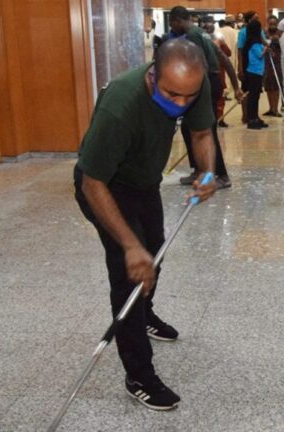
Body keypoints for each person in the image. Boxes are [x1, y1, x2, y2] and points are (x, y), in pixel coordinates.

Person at [74, 39, 218, 410]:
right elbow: (92, 183)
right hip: (105, 185)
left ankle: (146, 312)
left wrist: (207, 172)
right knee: (132, 271)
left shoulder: (190, 84)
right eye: (173, 95)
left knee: (154, 250)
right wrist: (128, 246)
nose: (181, 104)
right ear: (153, 75)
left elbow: (201, 133)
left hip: (144, 181)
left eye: (189, 97)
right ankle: (139, 374)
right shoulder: (121, 105)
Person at [168, 6, 243, 189]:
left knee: (206, 129)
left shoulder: (192, 36)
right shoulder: (201, 33)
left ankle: (222, 176)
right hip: (211, 81)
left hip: (204, 83)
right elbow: (223, 58)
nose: (172, 29)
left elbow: (197, 65)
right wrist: (236, 86)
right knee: (188, 126)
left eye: (172, 24)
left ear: (177, 20)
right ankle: (198, 170)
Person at [204, 16, 232, 127]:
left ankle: (218, 119)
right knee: (213, 98)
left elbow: (228, 53)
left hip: (215, 73)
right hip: (210, 73)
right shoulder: (213, 39)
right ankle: (216, 119)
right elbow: (227, 53)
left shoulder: (217, 38)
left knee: (217, 98)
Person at [242, 20, 268, 129]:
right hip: (254, 72)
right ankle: (251, 120)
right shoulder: (254, 42)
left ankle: (255, 117)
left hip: (256, 71)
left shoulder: (252, 41)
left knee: (256, 96)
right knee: (253, 97)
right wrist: (266, 48)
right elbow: (259, 55)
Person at [263, 15, 283, 118]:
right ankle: (270, 108)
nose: (272, 26)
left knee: (276, 86)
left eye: (274, 24)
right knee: (268, 87)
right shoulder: (264, 33)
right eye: (270, 24)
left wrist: (277, 40)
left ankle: (275, 108)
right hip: (266, 63)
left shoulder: (280, 34)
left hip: (277, 63)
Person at [220, 15, 240, 85]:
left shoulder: (218, 31)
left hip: (221, 59)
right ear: (232, 23)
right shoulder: (236, 32)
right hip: (232, 58)